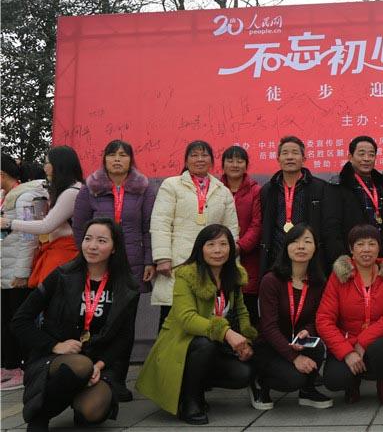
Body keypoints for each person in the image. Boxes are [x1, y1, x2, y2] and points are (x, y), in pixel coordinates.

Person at [11, 218, 140, 432]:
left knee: (91, 412)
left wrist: (99, 366)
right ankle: (39, 416)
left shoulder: (127, 287)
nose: (92, 246)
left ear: (115, 247)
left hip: (97, 362)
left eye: (101, 240)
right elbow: (20, 321)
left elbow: (124, 338)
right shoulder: (62, 276)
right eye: (88, 239)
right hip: (54, 358)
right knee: (79, 365)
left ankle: (74, 393)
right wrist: (54, 346)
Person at [136, 225, 256, 425]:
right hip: (182, 344)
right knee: (204, 345)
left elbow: (241, 311)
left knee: (243, 374)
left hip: (215, 345)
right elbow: (187, 319)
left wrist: (246, 341)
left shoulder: (233, 275)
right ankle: (190, 400)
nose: (218, 250)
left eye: (223, 244)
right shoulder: (186, 275)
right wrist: (227, 333)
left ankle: (194, 386)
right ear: (200, 248)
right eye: (211, 245)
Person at [71, 140, 156, 402]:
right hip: (98, 265)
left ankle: (116, 378)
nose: (117, 160)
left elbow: (148, 227)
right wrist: (89, 255)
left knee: (125, 324)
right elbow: (79, 228)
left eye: (123, 155)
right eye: (112, 155)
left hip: (131, 263)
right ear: (104, 159)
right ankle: (89, 371)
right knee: (100, 318)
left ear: (131, 160)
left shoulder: (143, 189)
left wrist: (150, 260)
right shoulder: (90, 189)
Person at [150, 140, 239, 326]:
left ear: (213, 161)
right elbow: (161, 222)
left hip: (212, 264)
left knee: (205, 317)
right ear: (186, 160)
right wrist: (162, 257)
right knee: (173, 317)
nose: (200, 159)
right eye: (194, 155)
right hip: (178, 260)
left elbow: (231, 231)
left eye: (204, 155)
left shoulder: (222, 191)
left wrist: (232, 264)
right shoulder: (171, 185)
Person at [315, 224, 383, 408]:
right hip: (347, 342)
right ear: (351, 249)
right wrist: (347, 352)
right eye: (360, 244)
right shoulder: (339, 275)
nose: (366, 249)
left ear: (379, 247)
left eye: (372, 244)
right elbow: (323, 320)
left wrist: (361, 342)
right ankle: (352, 383)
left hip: (378, 342)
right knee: (334, 380)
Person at [253, 224, 332, 410]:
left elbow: (318, 318)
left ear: (315, 248)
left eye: (307, 242)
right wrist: (295, 358)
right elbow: (268, 327)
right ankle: (259, 382)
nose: (301, 247)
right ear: (286, 247)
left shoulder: (318, 282)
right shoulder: (271, 280)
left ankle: (308, 390)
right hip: (270, 346)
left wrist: (308, 331)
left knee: (317, 344)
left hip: (298, 341)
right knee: (292, 380)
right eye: (295, 242)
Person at [1, 146, 83, 288]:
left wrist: (22, 271)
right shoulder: (53, 191)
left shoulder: (28, 197)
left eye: (46, 163)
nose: (44, 168)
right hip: (11, 260)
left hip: (51, 256)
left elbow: (34, 234)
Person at [259, 136, 342, 276]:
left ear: (304, 159)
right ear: (278, 159)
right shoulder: (268, 189)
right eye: (285, 153)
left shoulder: (320, 188)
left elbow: (329, 227)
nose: (290, 157)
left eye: (295, 153)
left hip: (310, 261)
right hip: (276, 260)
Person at [1, 154, 48, 391]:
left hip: (18, 271)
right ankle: (8, 365)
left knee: (18, 320)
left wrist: (21, 271)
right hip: (4, 268)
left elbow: (31, 238)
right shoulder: (5, 197)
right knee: (5, 319)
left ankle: (24, 367)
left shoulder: (29, 196)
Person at [220, 145, 262, 325]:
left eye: (240, 161)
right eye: (230, 160)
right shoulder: (215, 189)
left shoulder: (256, 190)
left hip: (248, 258)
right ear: (222, 165)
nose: (235, 164)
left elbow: (257, 224)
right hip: (218, 256)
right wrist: (222, 249)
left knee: (248, 308)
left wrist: (239, 247)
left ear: (246, 165)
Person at [332, 137, 383, 255]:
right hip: (352, 254)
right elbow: (333, 227)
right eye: (361, 154)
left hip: (380, 254)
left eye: (371, 155)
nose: (366, 159)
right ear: (350, 157)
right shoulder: (338, 185)